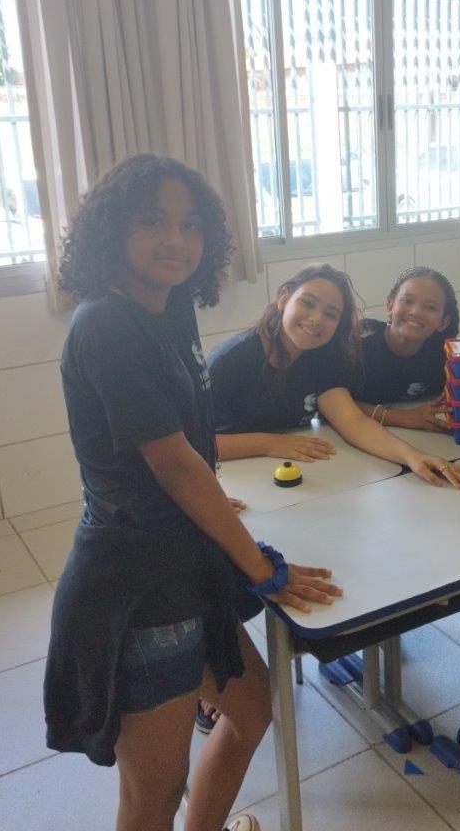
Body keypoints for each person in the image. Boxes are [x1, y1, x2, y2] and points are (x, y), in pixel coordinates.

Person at [43, 155, 341, 831]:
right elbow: (175, 467)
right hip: (139, 586)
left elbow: (189, 446)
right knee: (153, 793)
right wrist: (262, 569)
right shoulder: (107, 325)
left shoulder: (168, 306)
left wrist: (211, 513)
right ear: (113, 230)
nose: (175, 240)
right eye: (154, 222)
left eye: (191, 225)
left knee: (252, 711)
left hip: (186, 564)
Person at [207, 263, 460, 487]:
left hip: (293, 474)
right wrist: (268, 443)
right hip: (232, 478)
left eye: (330, 314)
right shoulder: (232, 359)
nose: (316, 319)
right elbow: (191, 445)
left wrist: (413, 457)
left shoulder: (321, 356)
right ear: (284, 297)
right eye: (307, 303)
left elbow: (352, 422)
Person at [353, 266, 460, 432]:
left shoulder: (443, 355)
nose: (416, 312)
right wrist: (403, 417)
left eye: (431, 307)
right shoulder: (358, 342)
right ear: (390, 305)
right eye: (407, 301)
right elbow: (332, 401)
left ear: (443, 322)